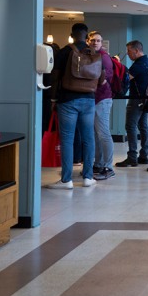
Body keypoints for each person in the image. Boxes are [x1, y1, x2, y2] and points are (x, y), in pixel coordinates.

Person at [46, 22, 102, 189]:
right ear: (87, 37)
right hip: (89, 100)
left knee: (68, 140)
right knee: (88, 138)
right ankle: (87, 177)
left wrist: (53, 99)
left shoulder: (64, 51)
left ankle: (66, 180)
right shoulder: (94, 53)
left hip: (67, 100)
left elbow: (55, 77)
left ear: (72, 35)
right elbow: (102, 79)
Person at [118, 40, 148, 167]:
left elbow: (126, 80)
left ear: (136, 51)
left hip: (136, 100)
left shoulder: (137, 66)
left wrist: (118, 65)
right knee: (143, 126)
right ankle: (144, 156)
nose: (128, 54)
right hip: (146, 99)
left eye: (129, 51)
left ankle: (132, 156)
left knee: (130, 126)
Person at [88, 30, 116, 181]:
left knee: (103, 133)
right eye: (93, 40)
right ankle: (98, 164)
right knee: (96, 134)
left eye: (98, 40)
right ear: (88, 41)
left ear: (101, 42)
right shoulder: (92, 56)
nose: (95, 43)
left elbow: (104, 80)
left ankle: (108, 166)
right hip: (95, 99)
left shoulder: (104, 58)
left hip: (102, 99)